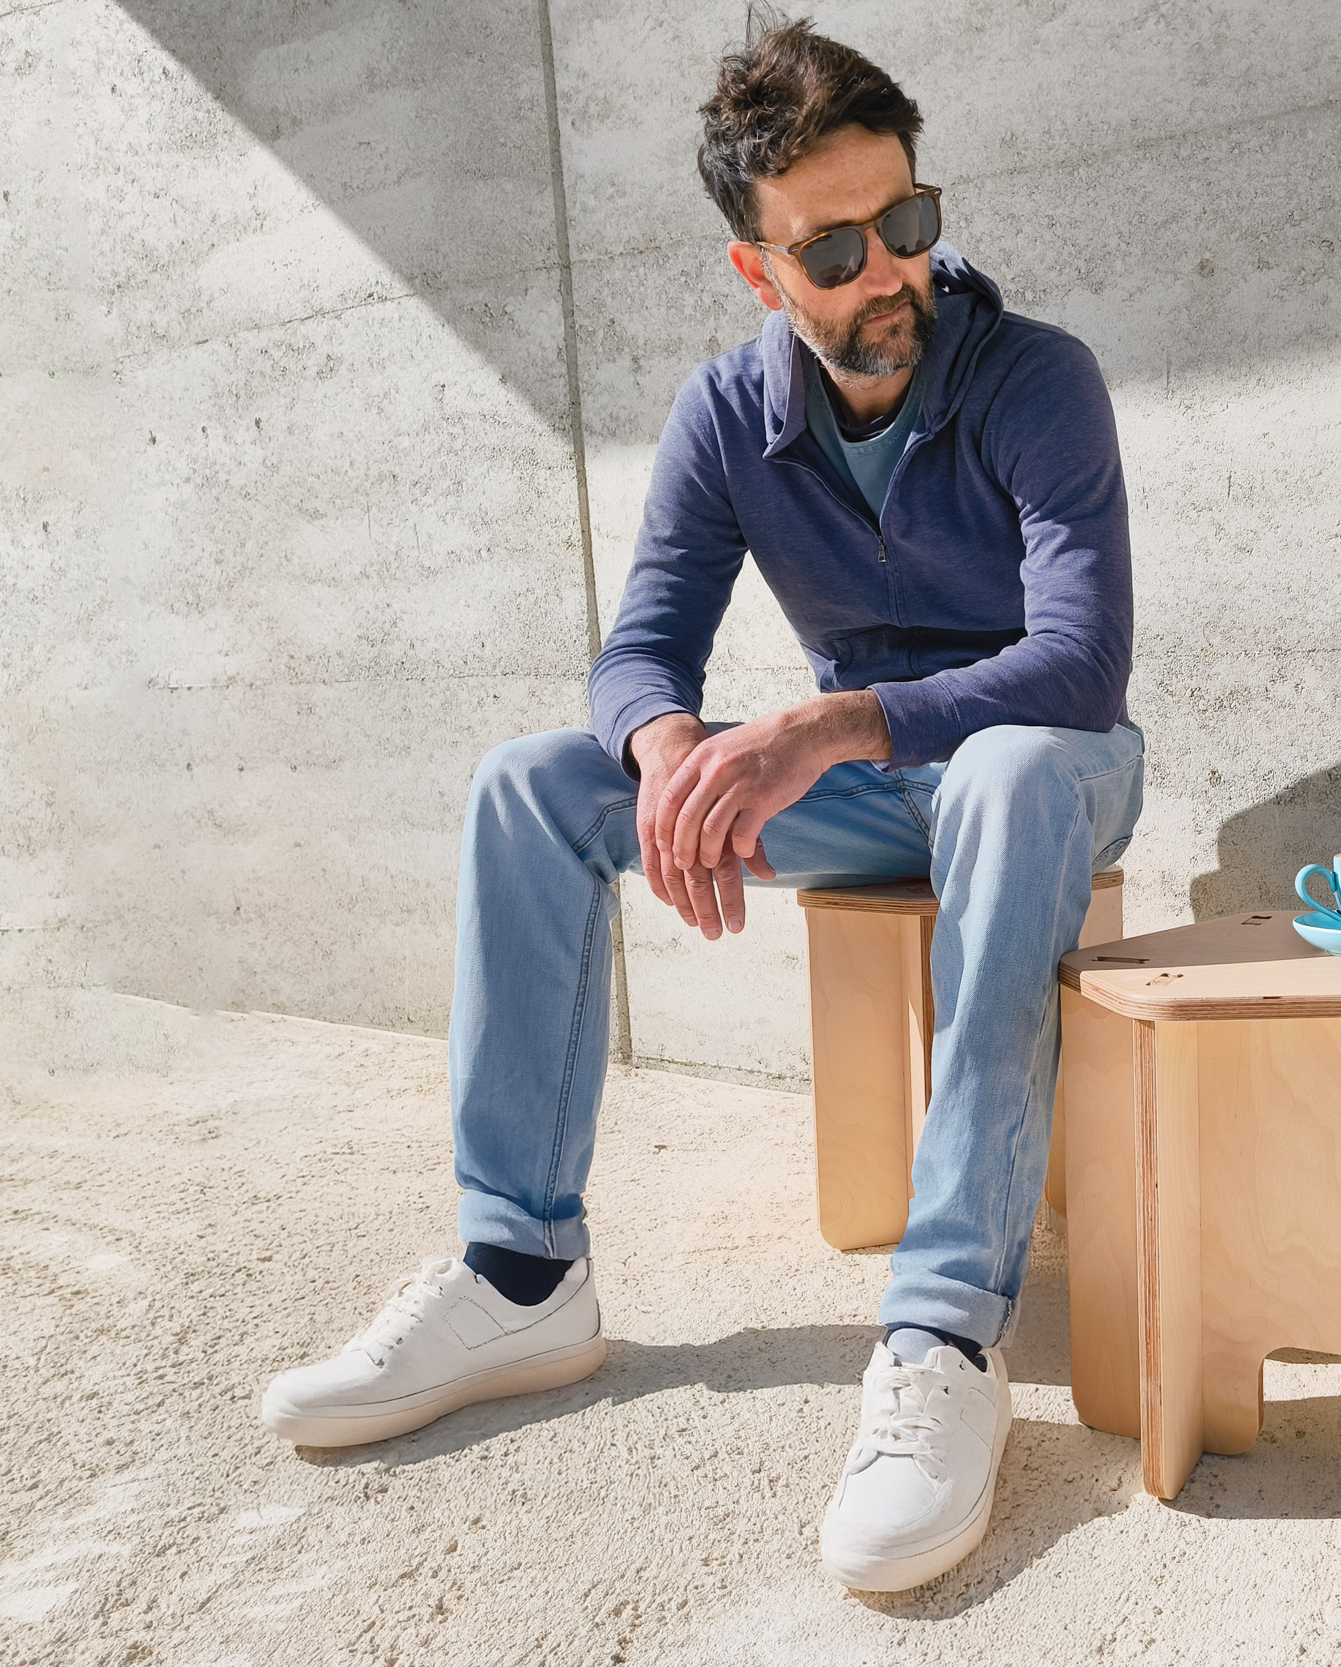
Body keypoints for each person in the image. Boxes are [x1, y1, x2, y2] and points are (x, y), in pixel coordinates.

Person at [257, 20, 1141, 1594]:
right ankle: (520, 1269)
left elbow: (1078, 663)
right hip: (865, 787)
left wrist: (833, 722)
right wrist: (670, 758)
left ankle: (944, 1333)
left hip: (1049, 762)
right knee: (533, 782)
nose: (889, 273)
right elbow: (641, 651)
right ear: (757, 269)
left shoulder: (1036, 377)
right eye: (835, 250)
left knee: (1007, 772)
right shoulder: (727, 415)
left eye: (908, 221)